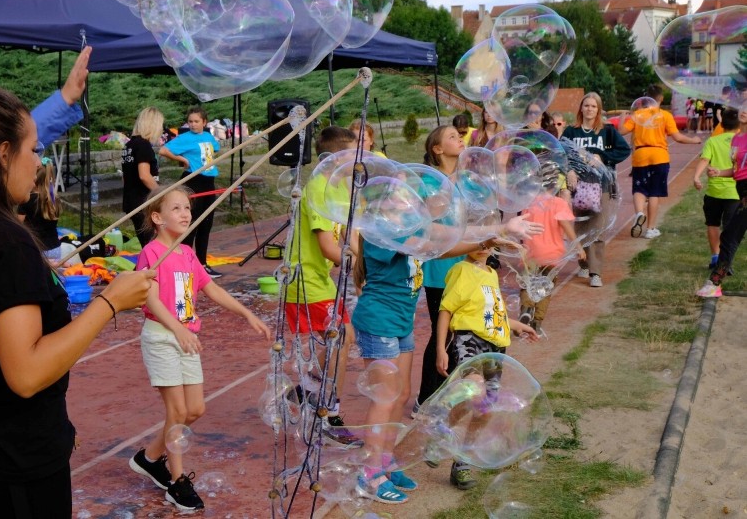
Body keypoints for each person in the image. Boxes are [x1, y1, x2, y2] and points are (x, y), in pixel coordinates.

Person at [0, 77, 153, 518]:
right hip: (6, 459)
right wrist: (109, 303)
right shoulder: (3, 241)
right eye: (33, 149)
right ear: (2, 153)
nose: (37, 163)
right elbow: (27, 373)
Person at [351, 208, 543, 504]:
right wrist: (491, 237)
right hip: (379, 322)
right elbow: (433, 246)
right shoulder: (381, 233)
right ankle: (370, 473)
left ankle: (385, 462)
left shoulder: (404, 227)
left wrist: (502, 227)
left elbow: (446, 237)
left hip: (400, 324)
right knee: (384, 397)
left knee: (400, 396)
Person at [129, 186, 270, 512]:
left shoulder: (188, 254)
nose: (185, 214)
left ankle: (150, 458)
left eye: (187, 209)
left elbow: (211, 288)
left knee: (195, 410)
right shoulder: (152, 253)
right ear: (157, 217)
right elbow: (148, 297)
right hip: (163, 337)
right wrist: (176, 328)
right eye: (176, 208)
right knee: (177, 413)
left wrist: (246, 312)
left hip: (186, 338)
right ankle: (176, 483)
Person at [435, 243, 539, 491]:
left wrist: (516, 325)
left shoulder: (491, 274)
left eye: (488, 244)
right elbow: (445, 310)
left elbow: (494, 312)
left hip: (496, 345)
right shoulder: (461, 269)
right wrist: (440, 348)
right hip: (469, 339)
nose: (483, 248)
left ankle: (460, 461)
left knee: (484, 409)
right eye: (478, 242)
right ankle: (440, 431)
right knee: (474, 389)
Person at [284, 125, 361, 446]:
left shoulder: (340, 189)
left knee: (342, 338)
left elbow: (347, 236)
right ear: (336, 157)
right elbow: (329, 246)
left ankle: (308, 390)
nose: (359, 161)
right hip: (305, 281)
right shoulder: (318, 187)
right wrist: (359, 263)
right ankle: (328, 415)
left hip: (319, 280)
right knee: (340, 339)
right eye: (354, 154)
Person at [413, 125, 465, 417]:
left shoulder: (469, 181)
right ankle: (425, 399)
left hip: (466, 265)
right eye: (453, 137)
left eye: (461, 136)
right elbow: (427, 221)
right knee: (441, 334)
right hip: (439, 269)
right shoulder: (429, 183)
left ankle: (446, 396)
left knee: (460, 333)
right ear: (437, 149)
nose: (460, 140)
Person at [563, 92, 631, 286]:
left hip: (602, 186)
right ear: (581, 108)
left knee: (598, 228)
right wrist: (569, 171)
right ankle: (584, 264)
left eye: (593, 106)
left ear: (598, 110)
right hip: (578, 187)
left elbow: (624, 150)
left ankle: (596, 273)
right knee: (581, 227)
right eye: (586, 106)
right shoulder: (571, 132)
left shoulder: (607, 132)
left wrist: (602, 157)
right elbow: (561, 153)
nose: (589, 109)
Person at [619, 84, 701, 240]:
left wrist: (624, 116)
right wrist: (694, 140)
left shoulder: (638, 115)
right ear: (661, 98)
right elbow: (677, 137)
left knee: (639, 189)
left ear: (646, 97)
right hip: (659, 155)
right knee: (654, 192)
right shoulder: (665, 115)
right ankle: (650, 228)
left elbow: (622, 131)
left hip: (641, 155)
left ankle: (639, 214)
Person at [519, 163, 585, 335]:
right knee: (545, 288)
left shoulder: (529, 203)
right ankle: (537, 322)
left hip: (532, 252)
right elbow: (566, 226)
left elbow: (522, 226)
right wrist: (578, 246)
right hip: (552, 255)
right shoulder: (559, 204)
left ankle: (526, 309)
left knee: (528, 283)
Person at [160, 106, 222, 278]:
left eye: (196, 121)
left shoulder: (209, 136)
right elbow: (163, 150)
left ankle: (202, 264)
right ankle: (185, 262)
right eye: (190, 122)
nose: (193, 125)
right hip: (193, 181)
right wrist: (182, 159)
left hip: (209, 181)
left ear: (204, 122)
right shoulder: (185, 138)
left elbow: (215, 150)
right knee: (190, 223)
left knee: (206, 223)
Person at [697, 106, 747, 297]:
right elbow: (738, 170)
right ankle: (714, 283)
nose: (744, 110)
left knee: (729, 236)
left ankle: (714, 283)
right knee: (730, 236)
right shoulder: (737, 139)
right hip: (740, 190)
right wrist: (719, 172)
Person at [693, 108, 740, 270]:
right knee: (730, 228)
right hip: (734, 191)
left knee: (712, 224)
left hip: (714, 191)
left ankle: (715, 257)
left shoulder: (713, 141)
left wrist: (696, 177)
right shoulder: (741, 141)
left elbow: (704, 160)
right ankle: (727, 262)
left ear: (722, 123)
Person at [123, 107, 164, 247]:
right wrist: (161, 193)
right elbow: (144, 175)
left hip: (131, 200)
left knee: (147, 244)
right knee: (153, 245)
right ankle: (148, 268)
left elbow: (125, 177)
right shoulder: (143, 145)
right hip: (142, 202)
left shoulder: (129, 145)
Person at [18, 157, 63, 263]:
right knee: (54, 278)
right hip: (55, 249)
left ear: (34, 179)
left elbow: (17, 225)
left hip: (37, 249)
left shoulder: (27, 200)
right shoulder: (53, 199)